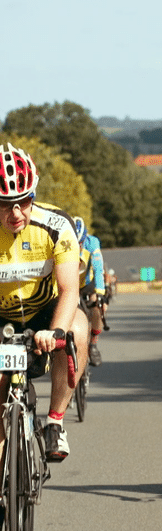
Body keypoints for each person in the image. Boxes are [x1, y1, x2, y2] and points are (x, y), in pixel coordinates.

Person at [0, 143, 88, 463]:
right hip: (2, 320)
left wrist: (56, 332)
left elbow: (68, 289)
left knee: (78, 329)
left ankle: (55, 421)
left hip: (44, 311)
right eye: (6, 204)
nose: (16, 213)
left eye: (23, 201)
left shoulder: (56, 226)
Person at [73, 216, 107, 367]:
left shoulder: (92, 243)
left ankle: (93, 344)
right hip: (70, 282)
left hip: (87, 282)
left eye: (80, 243)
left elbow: (99, 269)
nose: (78, 246)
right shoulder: (62, 240)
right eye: (75, 243)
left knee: (97, 308)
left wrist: (101, 294)